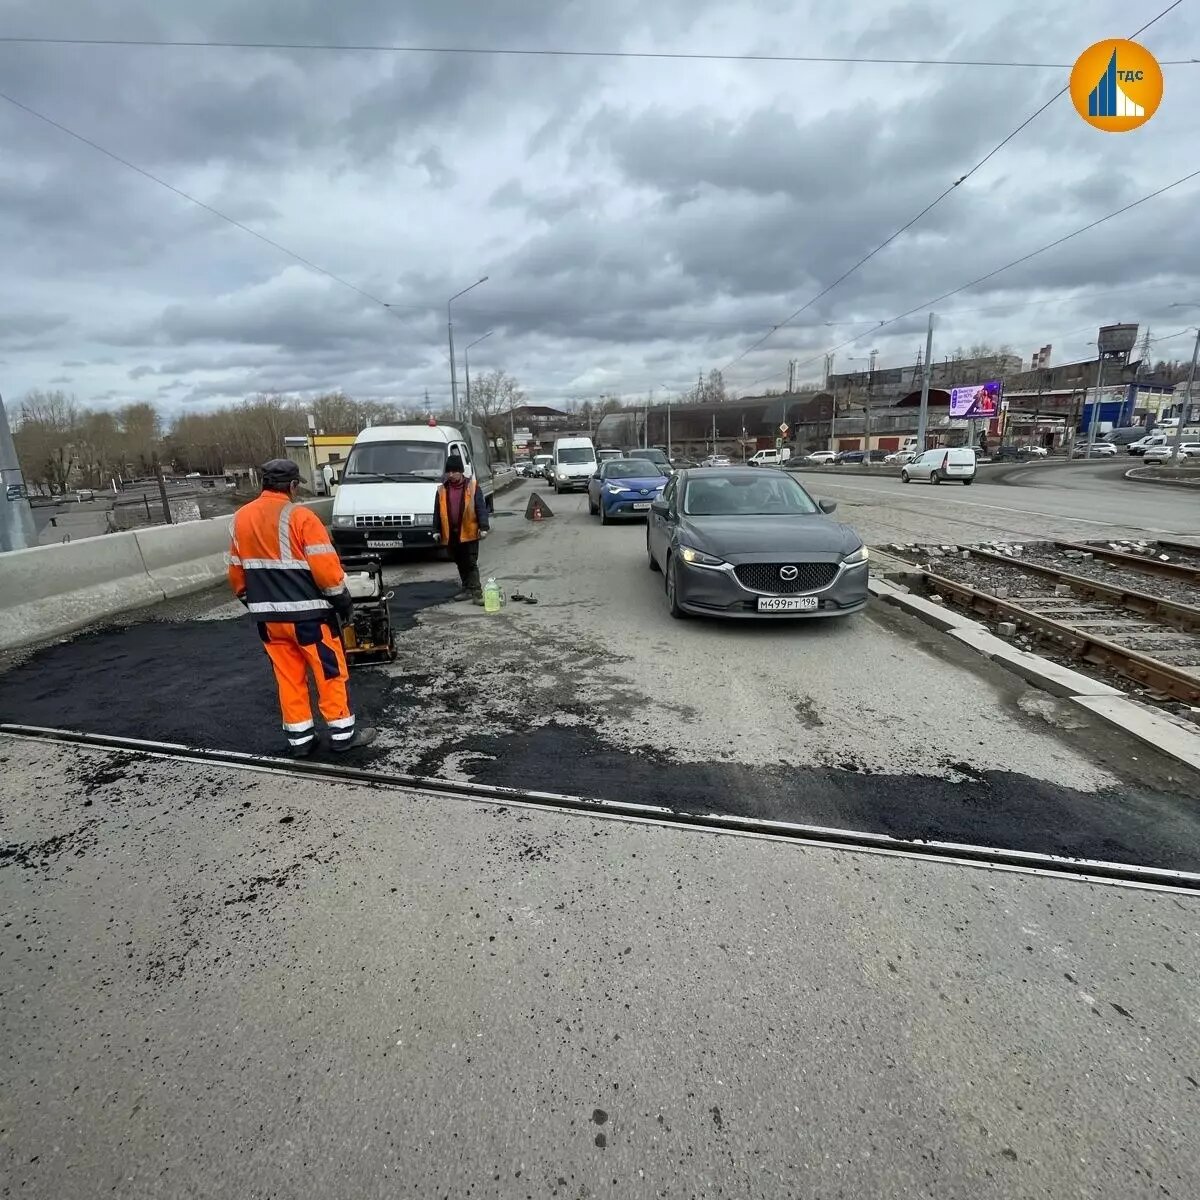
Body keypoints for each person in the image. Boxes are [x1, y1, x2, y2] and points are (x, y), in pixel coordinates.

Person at [227, 458, 376, 757]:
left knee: (288, 677)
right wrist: (342, 600)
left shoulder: (240, 519)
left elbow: (236, 573)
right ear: (293, 485)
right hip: (310, 620)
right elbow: (326, 570)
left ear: (263, 484)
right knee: (329, 672)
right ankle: (342, 734)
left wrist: (254, 603)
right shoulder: (301, 518)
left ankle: (301, 741)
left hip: (269, 622)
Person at [434, 453, 490, 603]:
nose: (451, 475)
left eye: (454, 471)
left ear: (461, 471)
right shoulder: (442, 490)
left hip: (469, 532)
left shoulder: (472, 487)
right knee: (459, 561)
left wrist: (483, 526)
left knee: (471, 562)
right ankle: (467, 588)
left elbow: (480, 508)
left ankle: (476, 592)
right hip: (451, 534)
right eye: (449, 472)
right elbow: (437, 513)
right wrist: (436, 530)